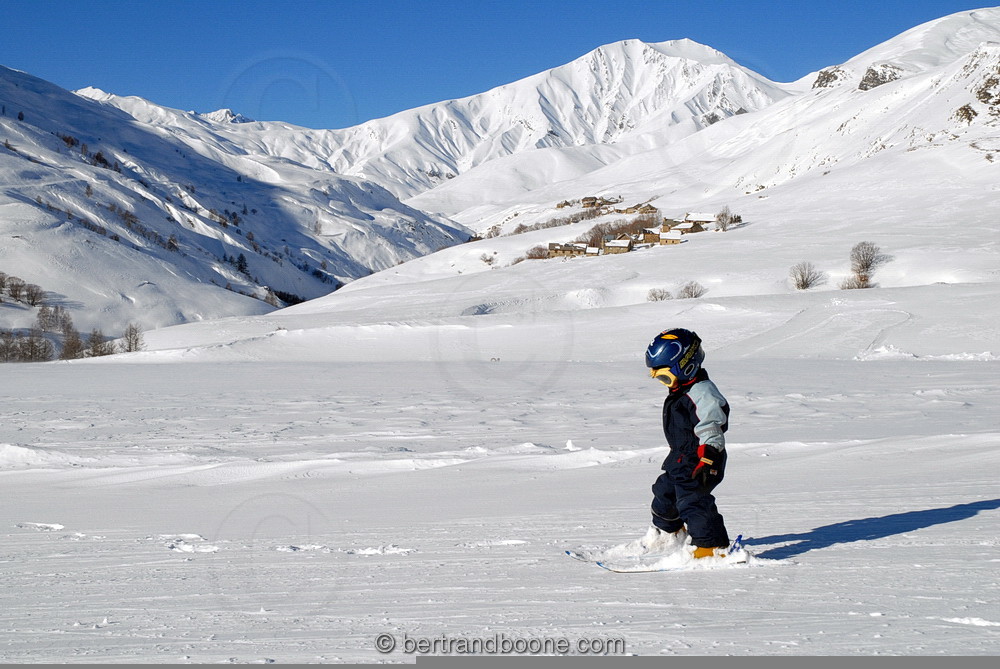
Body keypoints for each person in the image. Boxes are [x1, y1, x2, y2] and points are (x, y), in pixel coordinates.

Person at [630, 328, 732, 559]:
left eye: (665, 376)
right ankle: (670, 535)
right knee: (664, 495)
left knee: (693, 502)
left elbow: (711, 426)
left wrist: (708, 458)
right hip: (680, 458)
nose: (664, 383)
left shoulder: (702, 393)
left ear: (686, 365)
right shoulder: (683, 390)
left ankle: (712, 548)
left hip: (703, 459)